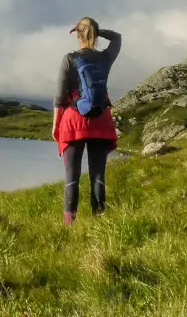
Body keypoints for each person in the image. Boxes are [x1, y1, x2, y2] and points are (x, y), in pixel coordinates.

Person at [51, 17, 121, 226]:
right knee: (98, 175)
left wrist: (55, 124)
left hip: (73, 121)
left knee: (72, 177)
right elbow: (117, 37)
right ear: (95, 35)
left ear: (78, 35)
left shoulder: (69, 58)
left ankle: (69, 225)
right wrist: (97, 31)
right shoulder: (106, 57)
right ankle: (99, 222)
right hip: (101, 120)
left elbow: (60, 97)